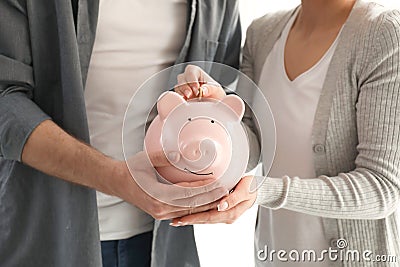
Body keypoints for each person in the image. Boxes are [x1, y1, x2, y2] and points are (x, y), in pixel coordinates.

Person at [0, 1, 240, 267]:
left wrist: (234, 183)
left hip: (164, 245)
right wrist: (115, 178)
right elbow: (6, 100)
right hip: (46, 238)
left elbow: (230, 97)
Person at [172, 0, 400, 266]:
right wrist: (216, 110)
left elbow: (382, 188)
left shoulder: (384, 33)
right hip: (274, 254)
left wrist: (266, 191)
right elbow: (250, 145)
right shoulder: (263, 32)